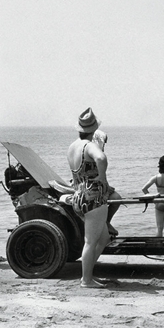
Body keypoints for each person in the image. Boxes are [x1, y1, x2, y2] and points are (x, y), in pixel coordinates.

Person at [67, 108, 112, 288]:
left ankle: (89, 274)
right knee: (91, 241)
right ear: (93, 129)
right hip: (93, 196)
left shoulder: (72, 147)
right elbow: (101, 158)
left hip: (78, 195)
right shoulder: (90, 145)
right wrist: (102, 177)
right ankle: (86, 280)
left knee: (104, 238)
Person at [92, 129, 121, 236]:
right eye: (104, 143)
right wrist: (106, 188)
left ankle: (106, 222)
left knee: (116, 197)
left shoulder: (96, 154)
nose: (104, 146)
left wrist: (107, 187)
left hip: (96, 185)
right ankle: (105, 223)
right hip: (92, 188)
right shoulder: (96, 156)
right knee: (116, 198)